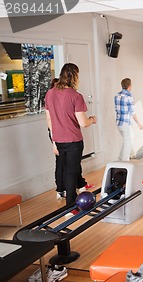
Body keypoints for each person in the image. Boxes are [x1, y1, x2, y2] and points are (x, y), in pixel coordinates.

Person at [45, 63, 97, 217]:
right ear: (74, 76)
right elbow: (83, 123)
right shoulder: (76, 96)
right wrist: (92, 120)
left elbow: (49, 120)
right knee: (71, 173)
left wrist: (54, 141)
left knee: (65, 170)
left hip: (59, 140)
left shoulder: (50, 94)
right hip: (73, 141)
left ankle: (68, 206)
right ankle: (71, 208)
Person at [114, 78, 143, 161]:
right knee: (128, 143)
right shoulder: (129, 97)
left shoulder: (117, 96)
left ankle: (120, 160)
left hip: (118, 123)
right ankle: (125, 162)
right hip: (126, 123)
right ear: (129, 86)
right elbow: (132, 113)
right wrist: (139, 123)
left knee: (125, 142)